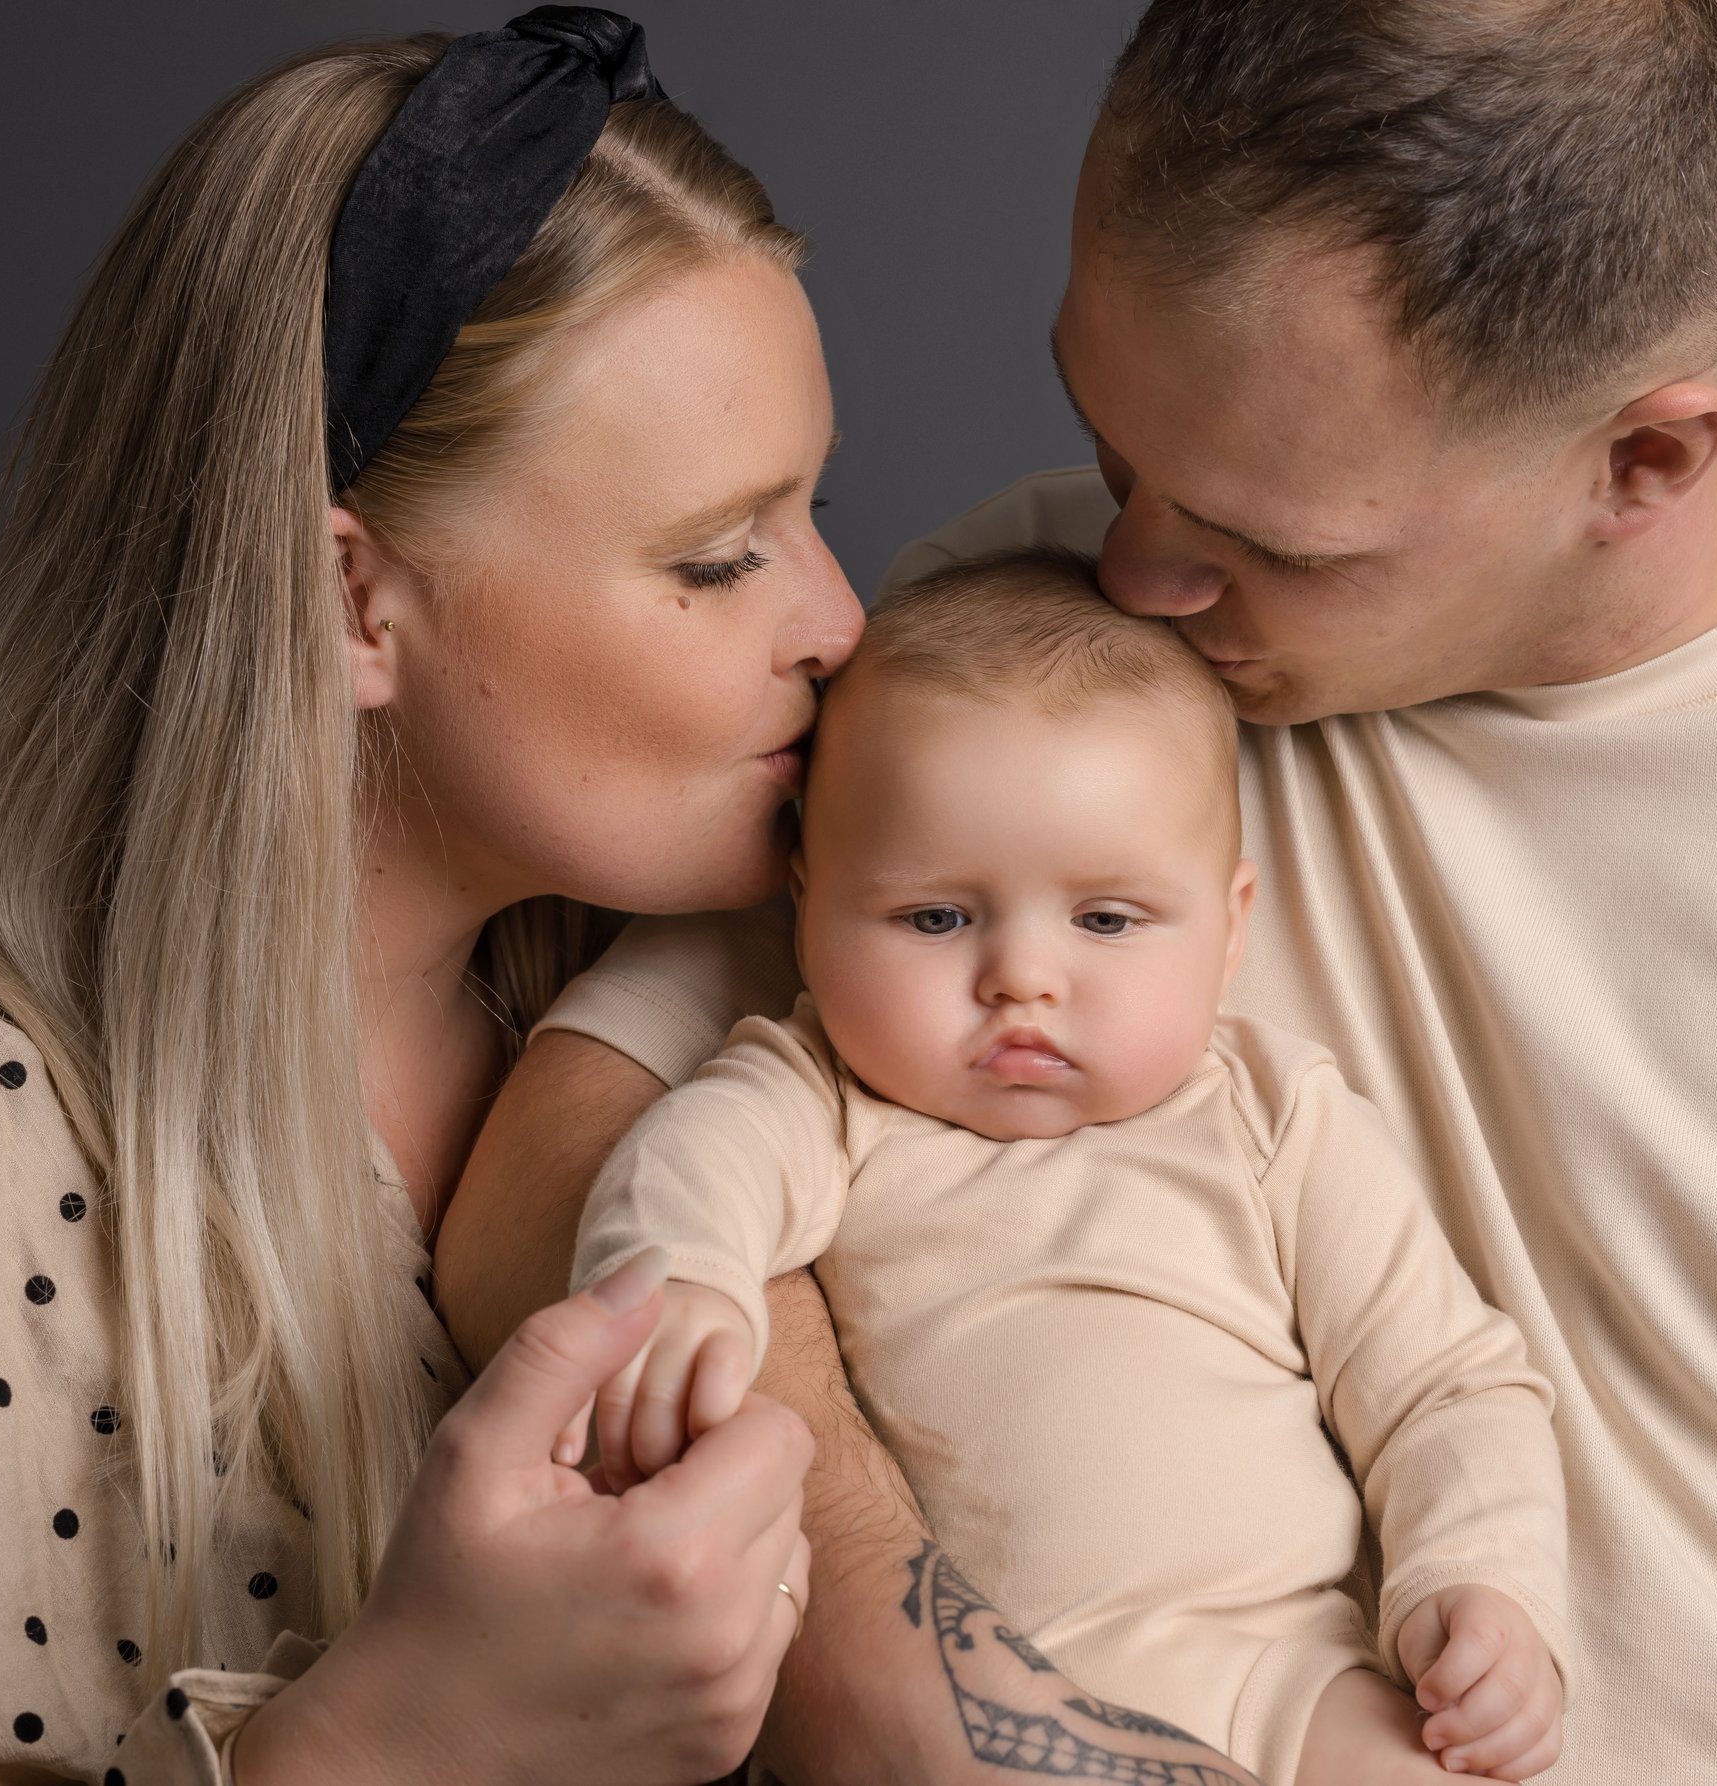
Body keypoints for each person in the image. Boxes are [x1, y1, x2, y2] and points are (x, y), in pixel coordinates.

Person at [434, 2, 1717, 1783]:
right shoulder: (1048, 646)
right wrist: (925, 1704)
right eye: (1119, 450)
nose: (1138, 567)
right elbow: (550, 1178)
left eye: (1263, 543)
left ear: (1645, 461)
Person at [0, 13, 846, 1783]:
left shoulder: (705, 1045)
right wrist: (388, 1745)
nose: (838, 623)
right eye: (720, 557)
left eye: (815, 511)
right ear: (348, 603)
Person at [573, 552, 1572, 1785]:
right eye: (936, 917)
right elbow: (687, 1164)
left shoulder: (1270, 1115)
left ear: (1229, 926)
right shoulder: (822, 1097)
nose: (1021, 978)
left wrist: (1478, 1586)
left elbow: (1445, 1385)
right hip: (972, 1690)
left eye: (1105, 920)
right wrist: (688, 1286)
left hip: (1285, 1669)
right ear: (805, 901)